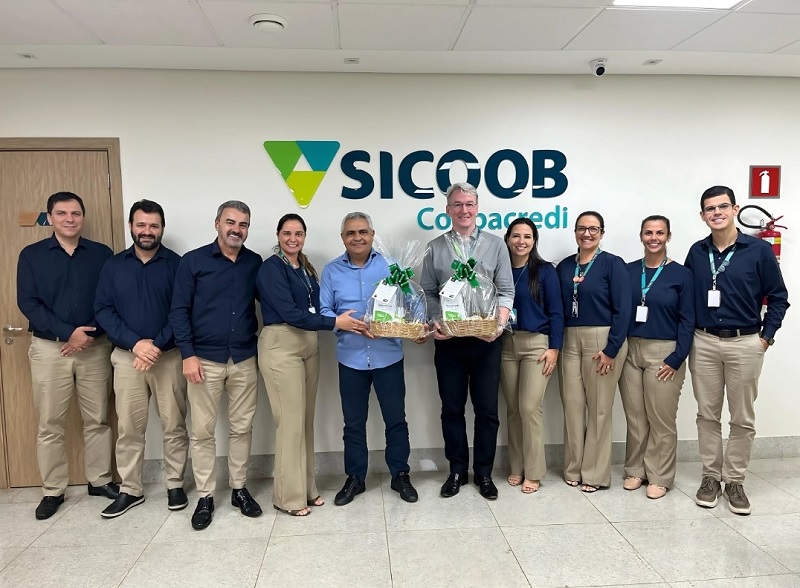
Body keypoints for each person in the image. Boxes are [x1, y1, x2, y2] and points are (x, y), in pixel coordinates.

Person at [685, 185, 789, 515]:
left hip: (746, 342)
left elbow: (779, 297)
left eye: (722, 206)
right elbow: (686, 298)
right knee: (707, 414)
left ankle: (734, 480)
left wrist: (765, 338)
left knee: (742, 417)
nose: (716, 213)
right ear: (702, 215)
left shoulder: (758, 251)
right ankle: (710, 477)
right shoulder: (696, 252)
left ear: (735, 209)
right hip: (703, 342)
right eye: (710, 209)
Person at [257, 213, 367, 517]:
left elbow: (319, 306)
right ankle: (288, 498)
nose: (293, 239)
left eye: (299, 234)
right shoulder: (271, 268)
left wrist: (358, 316)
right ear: (278, 235)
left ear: (304, 237)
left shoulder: (304, 267)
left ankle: (306, 487)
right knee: (289, 424)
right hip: (282, 345)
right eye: (287, 233)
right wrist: (336, 323)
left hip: (308, 345)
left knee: (304, 421)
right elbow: (290, 313)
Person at [17, 191, 118, 520]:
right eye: (61, 213)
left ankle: (99, 480)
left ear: (82, 217)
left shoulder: (101, 254)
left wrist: (87, 335)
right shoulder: (32, 255)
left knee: (98, 419)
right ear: (50, 217)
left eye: (75, 213)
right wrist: (67, 332)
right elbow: (28, 302)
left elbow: (110, 298)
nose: (69, 219)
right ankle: (53, 490)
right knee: (50, 422)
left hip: (94, 347)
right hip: (51, 349)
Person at [170, 200, 263, 530]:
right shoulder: (193, 261)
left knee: (242, 428)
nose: (236, 229)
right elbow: (179, 311)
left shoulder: (254, 262)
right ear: (217, 224)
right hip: (203, 361)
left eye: (243, 224)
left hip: (243, 358)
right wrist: (188, 355)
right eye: (230, 222)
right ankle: (206, 496)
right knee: (202, 432)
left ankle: (239, 489)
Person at [94, 200, 189, 517]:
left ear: (162, 228)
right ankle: (131, 489)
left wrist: (156, 346)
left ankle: (175, 484)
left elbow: (182, 311)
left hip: (168, 358)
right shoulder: (113, 265)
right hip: (127, 359)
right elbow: (103, 310)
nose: (147, 231)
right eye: (141, 225)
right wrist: (136, 344)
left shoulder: (177, 265)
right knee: (129, 428)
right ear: (131, 227)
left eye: (153, 225)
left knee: (174, 425)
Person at [420, 183, 514, 500]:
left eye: (469, 204)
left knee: (487, 410)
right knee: (451, 409)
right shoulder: (435, 247)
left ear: (477, 207)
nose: (464, 210)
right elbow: (428, 293)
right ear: (448, 210)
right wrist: (437, 321)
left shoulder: (495, 245)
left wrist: (499, 326)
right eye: (458, 204)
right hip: (449, 342)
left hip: (486, 340)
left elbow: (506, 291)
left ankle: (484, 473)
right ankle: (457, 470)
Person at [320, 212, 419, 506]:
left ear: (372, 235)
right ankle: (355, 478)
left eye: (363, 231)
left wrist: (408, 325)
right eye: (351, 233)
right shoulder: (331, 271)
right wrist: (341, 322)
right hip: (350, 359)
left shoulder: (392, 267)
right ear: (342, 238)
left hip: (388, 357)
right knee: (353, 424)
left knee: (396, 420)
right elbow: (324, 311)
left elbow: (412, 305)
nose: (357, 237)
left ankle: (400, 474)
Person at [618, 215, 694, 500]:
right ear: (641, 236)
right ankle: (635, 470)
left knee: (660, 418)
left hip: (664, 351)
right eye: (648, 233)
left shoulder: (682, 274)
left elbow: (688, 319)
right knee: (636, 416)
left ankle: (660, 475)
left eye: (659, 233)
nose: (654, 238)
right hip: (630, 349)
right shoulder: (627, 271)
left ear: (668, 237)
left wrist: (677, 357)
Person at [556, 211, 631, 493]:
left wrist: (611, 349)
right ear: (575, 232)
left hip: (602, 341)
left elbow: (624, 309)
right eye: (581, 228)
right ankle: (573, 467)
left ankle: (595, 473)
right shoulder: (565, 266)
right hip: (569, 340)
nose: (587, 234)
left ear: (602, 232)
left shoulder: (613, 264)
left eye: (593, 229)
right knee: (572, 405)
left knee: (599, 409)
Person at [500, 218, 563, 494]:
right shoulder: (499, 270)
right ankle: (517, 465)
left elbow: (557, 312)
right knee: (513, 409)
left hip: (537, 345)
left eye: (527, 236)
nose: (521, 241)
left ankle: (534, 471)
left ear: (534, 240)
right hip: (506, 344)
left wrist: (554, 348)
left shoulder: (545, 271)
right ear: (507, 239)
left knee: (529, 408)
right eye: (516, 236)